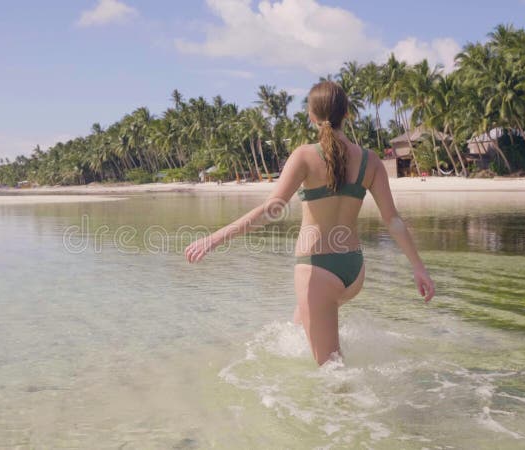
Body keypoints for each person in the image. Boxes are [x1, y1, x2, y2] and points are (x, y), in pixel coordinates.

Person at [184, 81, 435, 366]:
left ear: (311, 116)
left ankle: (346, 406)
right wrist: (419, 268)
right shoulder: (371, 161)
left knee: (332, 371)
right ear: (348, 114)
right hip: (354, 271)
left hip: (317, 270)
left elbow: (271, 210)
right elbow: (393, 220)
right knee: (296, 329)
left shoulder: (304, 155)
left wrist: (214, 239)